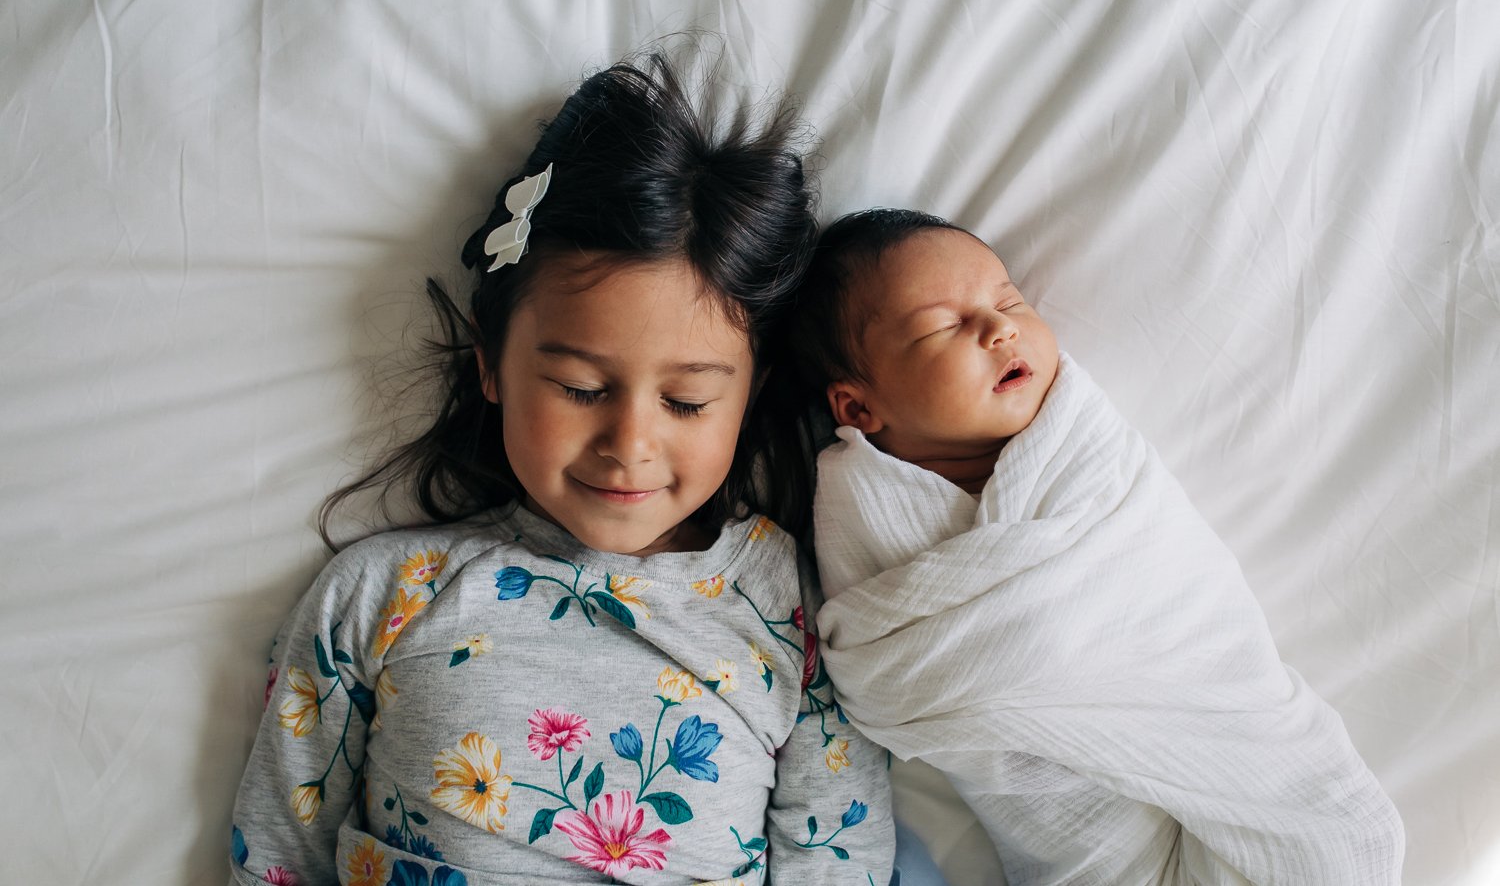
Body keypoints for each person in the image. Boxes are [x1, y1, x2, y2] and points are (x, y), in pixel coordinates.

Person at [230, 53, 895, 886]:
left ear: (750, 396)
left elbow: (839, 859)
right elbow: (278, 859)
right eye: (581, 388)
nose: (629, 442)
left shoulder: (797, 615)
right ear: (491, 365)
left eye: (686, 402)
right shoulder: (378, 598)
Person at [785, 209, 1405, 885]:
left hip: (1215, 729)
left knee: (1341, 841)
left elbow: (1171, 595)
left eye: (1008, 300)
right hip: (1079, 834)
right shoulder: (857, 507)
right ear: (857, 409)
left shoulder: (1084, 448)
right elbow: (885, 665)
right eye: (944, 325)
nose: (999, 328)